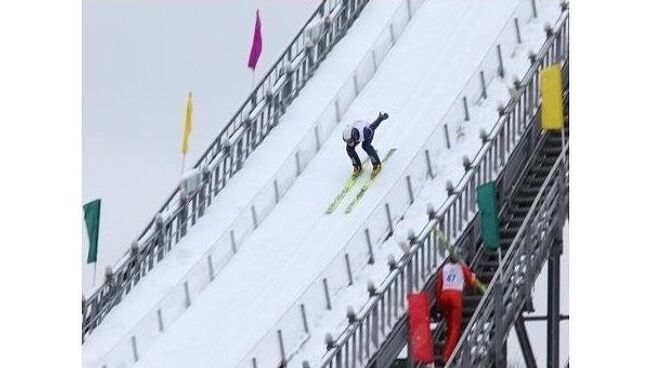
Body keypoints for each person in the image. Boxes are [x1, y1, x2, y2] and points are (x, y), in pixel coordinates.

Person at [434, 255, 478, 363]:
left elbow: (438, 286)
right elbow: (471, 281)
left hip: (444, 296)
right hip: (455, 298)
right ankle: (447, 355)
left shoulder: (444, 268)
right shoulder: (461, 267)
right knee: (455, 328)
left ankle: (445, 350)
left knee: (449, 327)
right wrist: (473, 275)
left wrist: (440, 304)